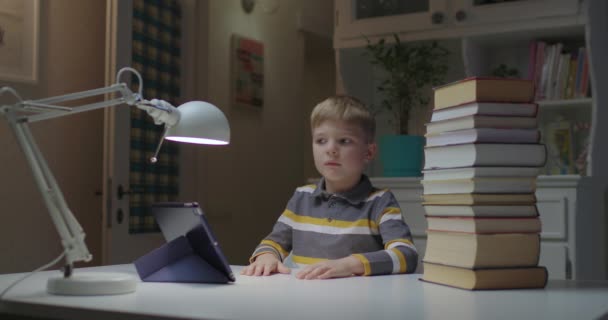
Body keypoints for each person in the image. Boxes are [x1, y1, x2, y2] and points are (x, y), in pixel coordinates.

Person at [241, 95, 418, 280]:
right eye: (321, 141)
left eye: (344, 141)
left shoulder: (381, 202)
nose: (331, 149)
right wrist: (266, 256)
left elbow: (406, 255)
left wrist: (348, 264)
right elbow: (273, 242)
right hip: (303, 300)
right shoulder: (301, 197)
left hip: (361, 304)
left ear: (369, 152)